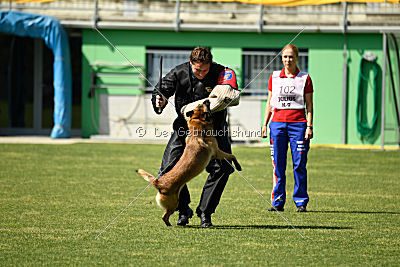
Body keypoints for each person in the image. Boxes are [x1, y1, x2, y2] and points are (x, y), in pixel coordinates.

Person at [151, 47, 238, 227]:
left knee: (224, 167)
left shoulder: (222, 72)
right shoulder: (179, 72)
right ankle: (184, 209)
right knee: (167, 170)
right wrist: (158, 100)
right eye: (197, 70)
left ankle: (205, 212)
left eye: (205, 71)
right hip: (184, 128)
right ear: (191, 63)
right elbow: (161, 90)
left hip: (214, 128)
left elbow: (230, 92)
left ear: (210, 65)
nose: (201, 74)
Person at [261, 44, 314, 212]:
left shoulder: (305, 78)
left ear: (297, 58)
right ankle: (277, 202)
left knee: (299, 164)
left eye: (291, 57)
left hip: (298, 126)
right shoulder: (274, 77)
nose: (288, 60)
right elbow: (269, 103)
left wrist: (309, 126)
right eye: (285, 57)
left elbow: (310, 105)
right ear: (281, 58)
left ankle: (301, 202)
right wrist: (264, 124)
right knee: (278, 165)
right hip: (277, 125)